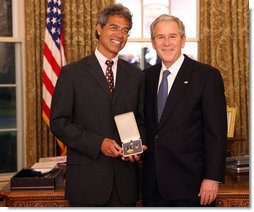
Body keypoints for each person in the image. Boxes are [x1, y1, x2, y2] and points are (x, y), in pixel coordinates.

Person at [50, 3, 146, 207]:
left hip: (125, 184)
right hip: (87, 183)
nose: (120, 34)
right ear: (98, 28)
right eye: (114, 27)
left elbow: (141, 120)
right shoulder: (72, 74)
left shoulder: (136, 76)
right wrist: (98, 143)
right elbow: (59, 122)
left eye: (125, 30)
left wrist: (136, 147)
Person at [142, 14, 227, 207]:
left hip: (192, 186)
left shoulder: (206, 76)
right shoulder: (145, 77)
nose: (166, 43)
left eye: (172, 36)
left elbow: (216, 132)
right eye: (160, 37)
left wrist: (212, 178)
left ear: (183, 40)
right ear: (153, 43)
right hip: (152, 186)